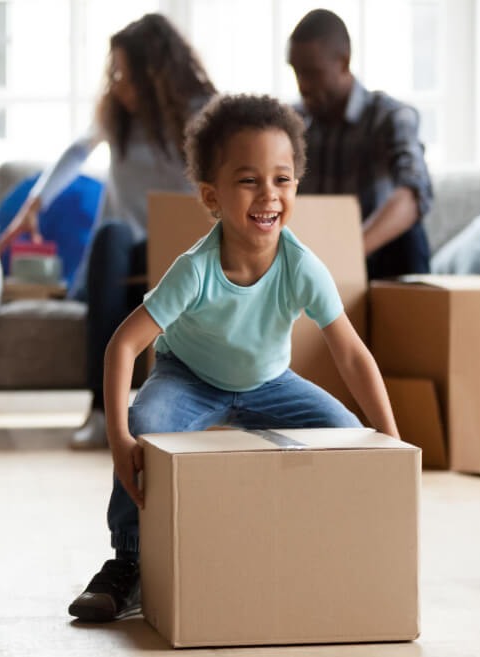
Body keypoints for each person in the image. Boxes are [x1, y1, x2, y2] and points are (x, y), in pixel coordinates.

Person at [67, 94, 401, 622]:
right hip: (189, 378)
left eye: (282, 178)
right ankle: (127, 562)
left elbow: (352, 354)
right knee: (147, 423)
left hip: (270, 382)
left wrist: (390, 440)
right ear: (211, 195)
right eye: (248, 180)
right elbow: (123, 346)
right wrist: (119, 441)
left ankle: (328, 550)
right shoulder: (194, 269)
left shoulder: (302, 266)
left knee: (346, 434)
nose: (268, 193)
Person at [0, 14, 216, 450]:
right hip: (119, 256)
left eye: (125, 73)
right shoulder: (119, 117)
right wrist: (31, 206)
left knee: (142, 246)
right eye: (113, 72)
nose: (117, 83)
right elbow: (77, 153)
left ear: (155, 74)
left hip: (178, 254)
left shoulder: (203, 113)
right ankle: (101, 411)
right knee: (109, 235)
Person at [287, 9, 434, 279]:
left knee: (410, 235)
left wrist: (347, 254)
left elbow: (415, 194)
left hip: (376, 257)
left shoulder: (389, 116)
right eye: (296, 73)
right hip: (313, 255)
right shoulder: (293, 123)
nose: (302, 86)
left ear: (343, 63)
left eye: (312, 73)